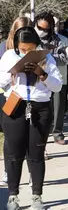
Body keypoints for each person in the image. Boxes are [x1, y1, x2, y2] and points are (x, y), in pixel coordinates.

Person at [0, 27, 62, 210]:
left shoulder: (47, 58)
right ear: (17, 46)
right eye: (23, 49)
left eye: (31, 49)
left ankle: (37, 196)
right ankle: (13, 196)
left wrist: (42, 74)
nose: (27, 53)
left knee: (36, 154)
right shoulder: (9, 56)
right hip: (15, 106)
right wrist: (13, 73)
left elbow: (57, 86)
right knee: (14, 154)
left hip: (39, 108)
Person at [34, 12, 68, 145]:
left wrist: (53, 58)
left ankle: (57, 133)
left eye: (45, 29)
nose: (42, 32)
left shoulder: (63, 40)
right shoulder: (32, 40)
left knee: (58, 108)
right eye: (39, 28)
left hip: (58, 79)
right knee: (40, 111)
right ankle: (41, 140)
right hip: (38, 81)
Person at [0, 17, 31, 187]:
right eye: (21, 31)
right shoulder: (5, 47)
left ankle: (31, 172)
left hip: (30, 96)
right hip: (8, 96)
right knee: (10, 137)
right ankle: (8, 171)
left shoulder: (34, 47)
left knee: (29, 135)